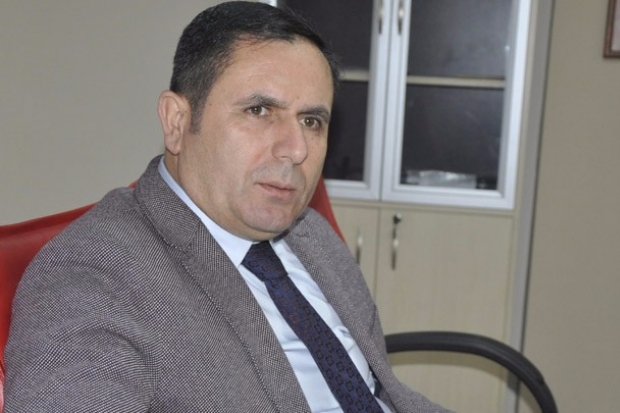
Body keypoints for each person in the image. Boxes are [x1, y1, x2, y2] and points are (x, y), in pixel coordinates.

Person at [4, 2, 450, 412]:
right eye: (259, 110)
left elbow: (377, 390)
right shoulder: (92, 278)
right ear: (177, 122)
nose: (296, 149)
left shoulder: (310, 233)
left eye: (311, 121)